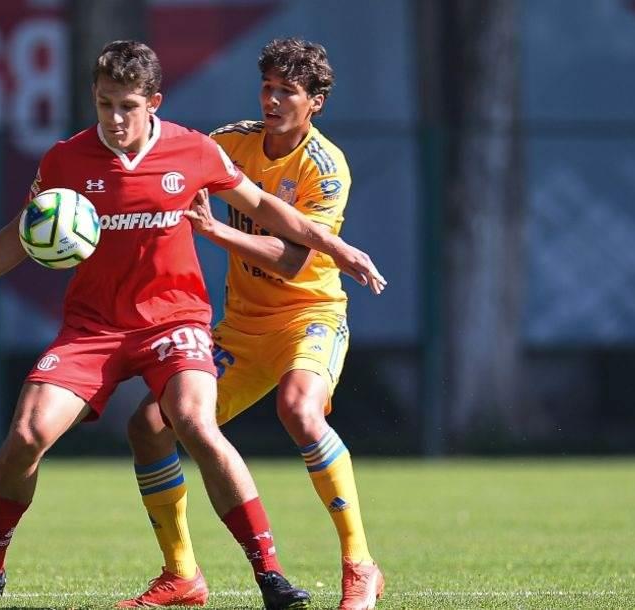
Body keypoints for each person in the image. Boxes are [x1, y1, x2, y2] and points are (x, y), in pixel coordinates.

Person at [0, 40, 386, 610]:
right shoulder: (68, 160)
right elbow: (22, 229)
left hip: (195, 321)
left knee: (213, 420)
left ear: (154, 102)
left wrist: (338, 247)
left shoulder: (201, 151)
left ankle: (285, 573)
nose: (115, 118)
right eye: (104, 103)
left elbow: (270, 218)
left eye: (127, 106)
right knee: (34, 435)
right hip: (98, 328)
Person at [119, 38, 386, 610]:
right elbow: (170, 162)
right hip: (241, 329)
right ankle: (181, 575)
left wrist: (216, 232)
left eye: (287, 91)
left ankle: (360, 565)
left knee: (299, 410)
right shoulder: (230, 142)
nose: (272, 100)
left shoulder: (325, 167)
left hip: (308, 317)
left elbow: (293, 260)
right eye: (267, 87)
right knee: (150, 425)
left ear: (315, 102)